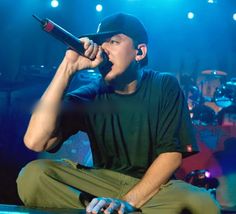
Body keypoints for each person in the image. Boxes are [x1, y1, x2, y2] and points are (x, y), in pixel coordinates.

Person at [16, 13, 220, 213]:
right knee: (32, 176)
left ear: (139, 52)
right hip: (101, 184)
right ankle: (101, 209)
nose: (103, 50)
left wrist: (126, 202)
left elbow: (171, 156)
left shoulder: (164, 85)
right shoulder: (91, 95)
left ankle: (102, 210)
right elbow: (35, 141)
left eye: (113, 42)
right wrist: (67, 67)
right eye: (100, 43)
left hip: (154, 190)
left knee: (203, 204)